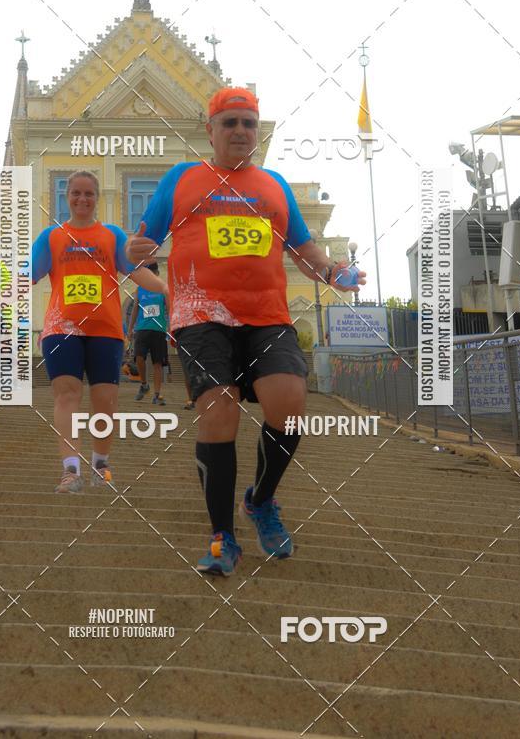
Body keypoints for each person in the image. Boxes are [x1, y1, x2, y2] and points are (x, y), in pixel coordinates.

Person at [127, 87, 365, 576]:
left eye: (248, 123)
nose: (240, 131)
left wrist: (333, 272)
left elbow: (304, 249)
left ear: (258, 132)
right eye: (230, 122)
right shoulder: (182, 178)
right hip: (201, 315)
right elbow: (143, 241)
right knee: (219, 413)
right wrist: (136, 249)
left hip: (267, 315)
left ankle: (260, 500)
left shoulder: (274, 185)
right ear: (211, 130)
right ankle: (223, 538)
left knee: (290, 405)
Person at [31, 170, 167, 494]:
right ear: (67, 197)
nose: (82, 199)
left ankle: (100, 464)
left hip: (105, 329)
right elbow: (25, 277)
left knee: (104, 399)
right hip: (62, 328)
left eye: (88, 193)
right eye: (76, 193)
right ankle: (70, 470)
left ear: (97, 197)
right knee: (67, 395)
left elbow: (136, 272)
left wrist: (166, 288)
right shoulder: (52, 237)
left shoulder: (112, 235)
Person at [127, 261, 169, 405]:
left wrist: (171, 327)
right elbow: (134, 310)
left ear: (157, 273)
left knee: (158, 363)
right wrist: (130, 329)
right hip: (142, 329)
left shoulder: (163, 289)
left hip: (159, 330)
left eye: (153, 273)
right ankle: (144, 385)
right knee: (139, 357)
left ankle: (157, 394)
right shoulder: (140, 289)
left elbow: (169, 308)